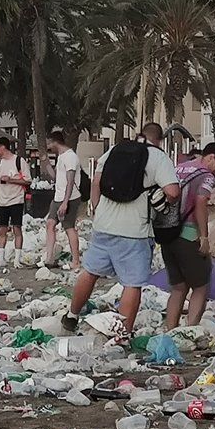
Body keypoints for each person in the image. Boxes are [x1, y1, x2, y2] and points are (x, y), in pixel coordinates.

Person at [60, 124, 179, 349]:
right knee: (132, 284)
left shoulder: (115, 150)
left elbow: (96, 181)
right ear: (159, 140)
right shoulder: (158, 158)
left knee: (90, 272)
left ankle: (72, 315)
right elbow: (173, 191)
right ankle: (121, 336)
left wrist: (97, 209)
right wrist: (161, 198)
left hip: (104, 225)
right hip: (135, 231)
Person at [161, 142, 215, 331]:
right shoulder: (205, 176)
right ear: (211, 157)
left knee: (178, 287)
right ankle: (190, 330)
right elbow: (200, 203)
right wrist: (205, 237)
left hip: (167, 232)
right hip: (189, 234)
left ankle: (171, 330)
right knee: (200, 286)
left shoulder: (178, 168)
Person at [42, 128, 83, 268]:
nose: (48, 147)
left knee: (69, 227)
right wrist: (46, 163)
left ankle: (76, 261)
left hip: (70, 198)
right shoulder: (61, 157)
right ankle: (49, 258)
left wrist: (65, 203)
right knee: (50, 224)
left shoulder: (70, 157)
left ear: (55, 142)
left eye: (49, 143)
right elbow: (56, 177)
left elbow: (70, 181)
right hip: (57, 196)